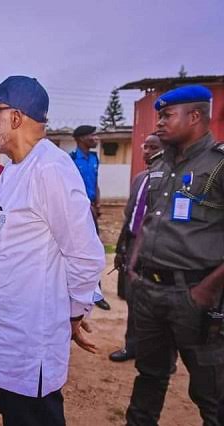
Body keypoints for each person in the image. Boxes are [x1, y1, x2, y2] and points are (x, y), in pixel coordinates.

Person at [0, 76, 105, 426]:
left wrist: (72, 313)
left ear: (15, 117)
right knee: (14, 415)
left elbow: (84, 254)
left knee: (33, 418)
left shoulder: (50, 170)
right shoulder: (14, 168)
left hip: (30, 338)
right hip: (8, 331)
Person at [126, 85, 224, 425]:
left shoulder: (218, 165)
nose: (158, 124)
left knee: (212, 392)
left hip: (194, 296)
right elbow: (149, 220)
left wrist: (207, 289)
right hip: (150, 291)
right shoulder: (160, 165)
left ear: (195, 116)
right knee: (149, 376)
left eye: (167, 116)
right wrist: (134, 269)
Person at [109, 134, 163, 363]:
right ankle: (132, 346)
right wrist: (121, 247)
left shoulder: (168, 179)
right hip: (132, 243)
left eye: (154, 147)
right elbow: (130, 217)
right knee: (131, 297)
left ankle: (154, 350)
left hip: (154, 247)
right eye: (146, 146)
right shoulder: (139, 179)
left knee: (152, 299)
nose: (148, 151)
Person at [71, 125, 112, 311]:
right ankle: (76, 292)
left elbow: (95, 183)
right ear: (80, 138)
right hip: (77, 212)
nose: (95, 138)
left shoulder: (95, 158)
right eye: (92, 135)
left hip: (92, 210)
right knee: (77, 252)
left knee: (94, 251)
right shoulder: (70, 159)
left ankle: (96, 293)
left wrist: (98, 204)